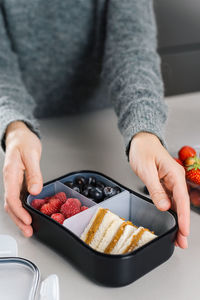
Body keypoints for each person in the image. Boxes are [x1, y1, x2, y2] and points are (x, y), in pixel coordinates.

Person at [0, 0, 190, 248]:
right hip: (23, 121)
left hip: (105, 117)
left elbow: (132, 48)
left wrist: (144, 131)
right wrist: (14, 127)